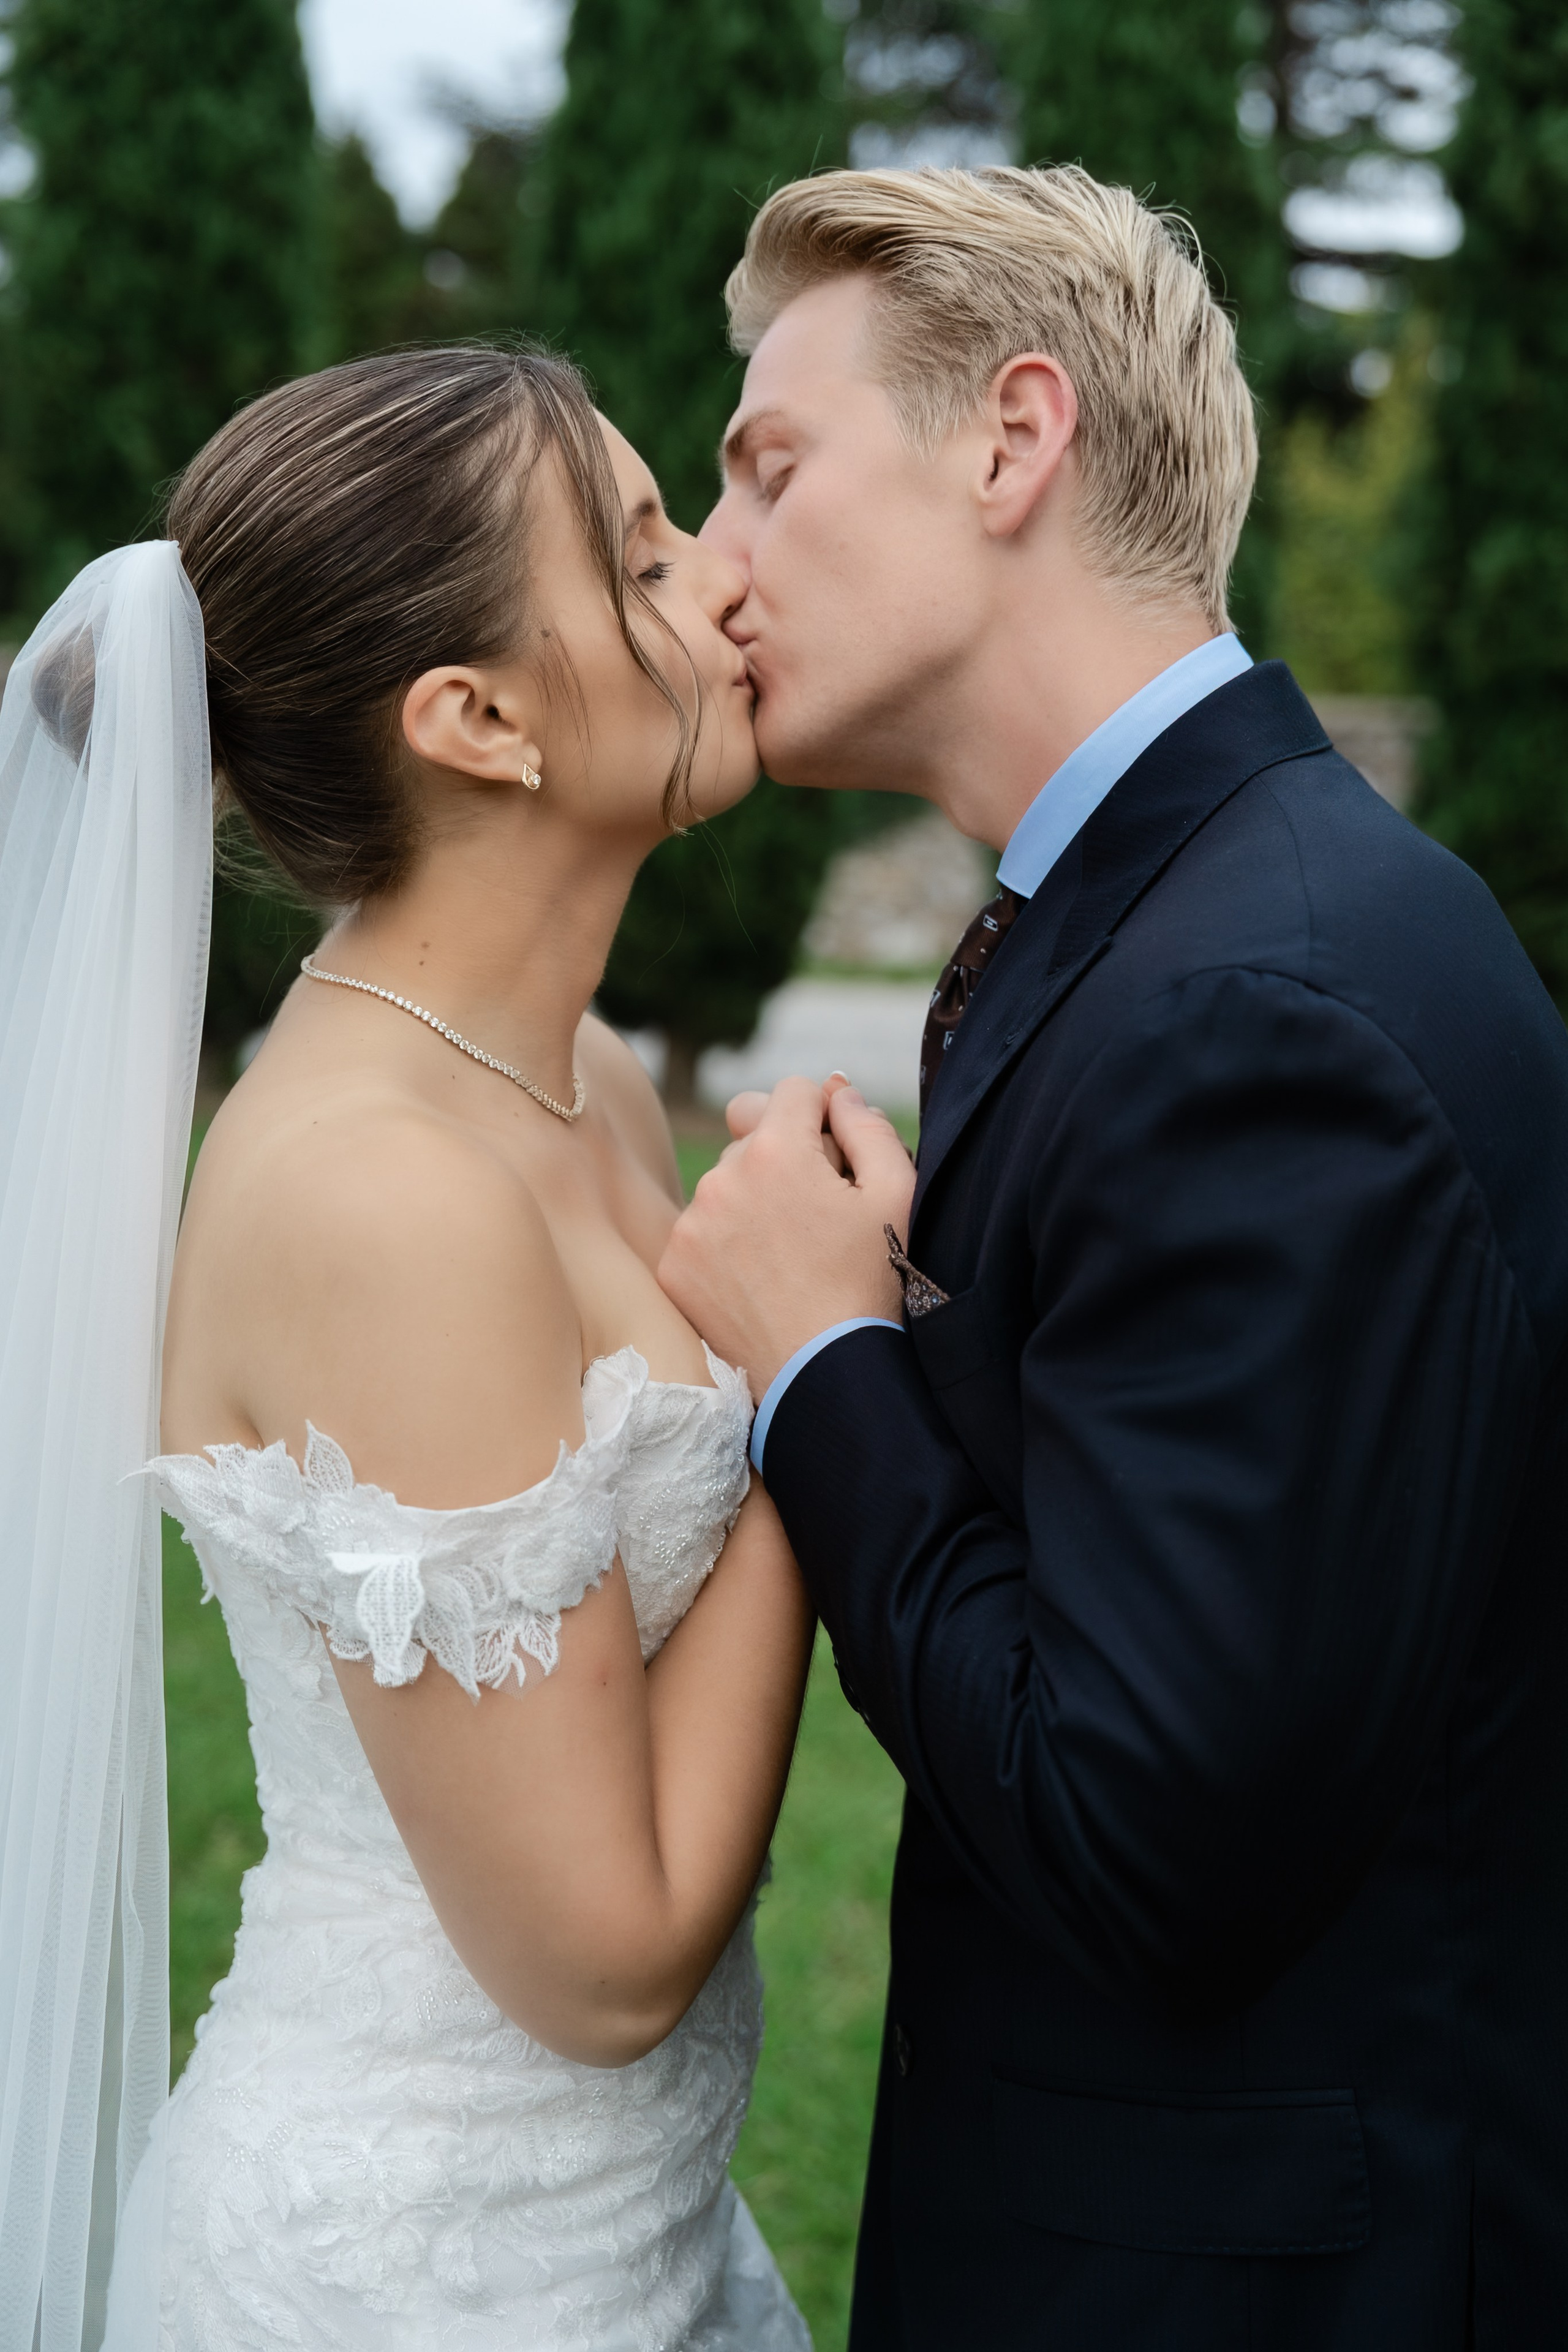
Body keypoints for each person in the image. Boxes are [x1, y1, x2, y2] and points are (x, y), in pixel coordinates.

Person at [660, 164, 1568, 2349]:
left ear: (1013, 440)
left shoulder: (1261, 1005)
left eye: (768, 471)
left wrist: (821, 1364)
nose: (710, 573)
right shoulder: (1181, 920)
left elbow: (1141, 1839)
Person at [1, 347, 814, 2351]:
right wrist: (829, 1380)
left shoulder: (590, 1087)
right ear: (475, 721)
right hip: (419, 2275)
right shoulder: (379, 1197)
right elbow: (602, 1963)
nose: (721, 579)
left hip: (637, 2232)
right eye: (640, 563)